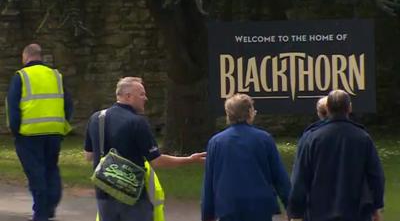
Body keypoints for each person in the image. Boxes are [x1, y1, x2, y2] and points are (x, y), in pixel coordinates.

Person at [84, 77, 206, 221]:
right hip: (132, 196)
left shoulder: (97, 117)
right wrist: (190, 159)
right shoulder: (137, 122)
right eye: (141, 94)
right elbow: (157, 161)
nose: (146, 98)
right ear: (128, 96)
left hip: (104, 193)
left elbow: (89, 155)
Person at [288, 90, 385, 221]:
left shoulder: (312, 138)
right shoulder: (363, 138)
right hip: (356, 213)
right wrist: (376, 207)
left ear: (327, 108)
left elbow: (300, 177)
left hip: (318, 212)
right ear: (349, 108)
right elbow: (376, 176)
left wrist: (296, 212)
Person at [6, 43, 73, 221]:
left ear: (25, 56)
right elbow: (68, 103)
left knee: (35, 172)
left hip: (29, 134)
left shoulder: (21, 76)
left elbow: (13, 107)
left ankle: (41, 213)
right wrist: (63, 126)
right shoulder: (56, 76)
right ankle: (50, 204)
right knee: (51, 168)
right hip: (53, 132)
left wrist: (15, 130)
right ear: (40, 56)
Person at [201, 93, 291, 221]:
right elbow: (279, 177)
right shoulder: (264, 139)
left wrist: (207, 215)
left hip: (228, 206)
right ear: (250, 112)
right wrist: (291, 207)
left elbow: (209, 182)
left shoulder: (216, 142)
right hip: (259, 207)